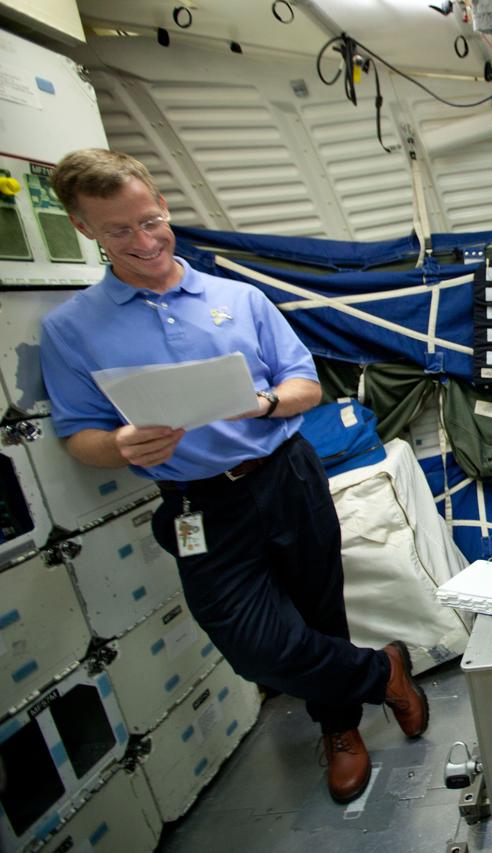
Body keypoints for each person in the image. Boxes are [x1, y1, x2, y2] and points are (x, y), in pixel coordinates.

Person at [39, 149, 429, 805]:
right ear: (86, 230)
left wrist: (266, 402)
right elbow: (79, 437)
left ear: (163, 206)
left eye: (152, 220)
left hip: (285, 473)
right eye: (120, 231)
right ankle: (382, 671)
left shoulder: (237, 298)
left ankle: (340, 729)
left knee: (319, 609)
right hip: (198, 504)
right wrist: (123, 444)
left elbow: (306, 384)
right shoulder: (72, 328)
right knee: (254, 646)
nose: (145, 241)